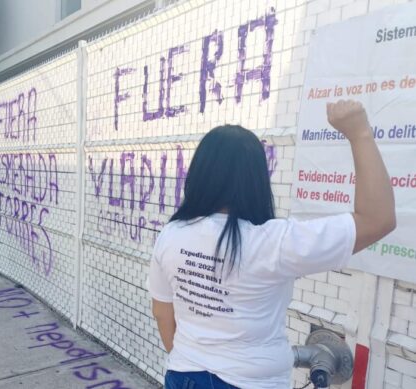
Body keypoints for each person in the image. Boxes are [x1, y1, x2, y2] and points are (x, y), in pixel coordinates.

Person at [147, 100, 396, 389]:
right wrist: (359, 133)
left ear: (200, 174)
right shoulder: (273, 243)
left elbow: (163, 313)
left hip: (182, 374)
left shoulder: (173, 234)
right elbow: (378, 219)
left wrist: (194, 359)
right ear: (256, 180)